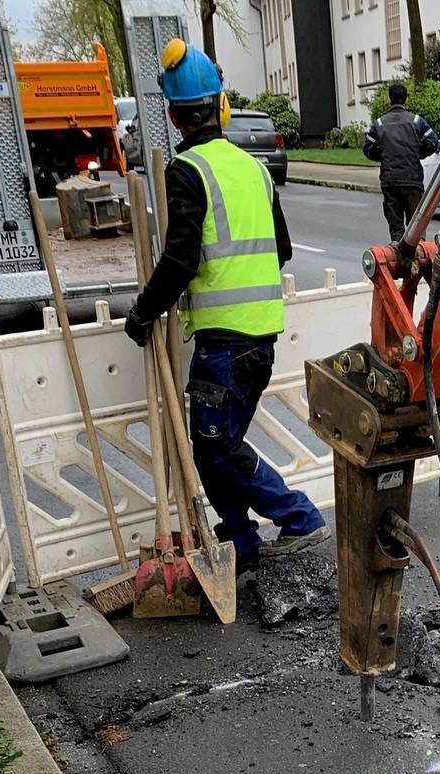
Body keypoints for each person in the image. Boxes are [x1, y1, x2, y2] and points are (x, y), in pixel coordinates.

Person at [124, 40, 329, 572]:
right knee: (215, 444)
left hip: (224, 342)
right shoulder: (254, 170)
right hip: (259, 338)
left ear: (172, 114)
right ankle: (239, 541)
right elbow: (281, 249)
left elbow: (179, 259)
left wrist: (143, 311)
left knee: (216, 446)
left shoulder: (187, 170)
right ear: (221, 106)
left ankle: (299, 515)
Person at [363, 82, 440, 243]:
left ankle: (398, 257)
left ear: (389, 100)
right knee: (416, 228)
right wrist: (417, 153)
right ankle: (417, 259)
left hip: (390, 181)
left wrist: (384, 155)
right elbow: (433, 142)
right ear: (406, 100)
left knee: (396, 228)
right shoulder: (416, 121)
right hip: (412, 180)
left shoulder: (379, 124)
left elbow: (368, 149)